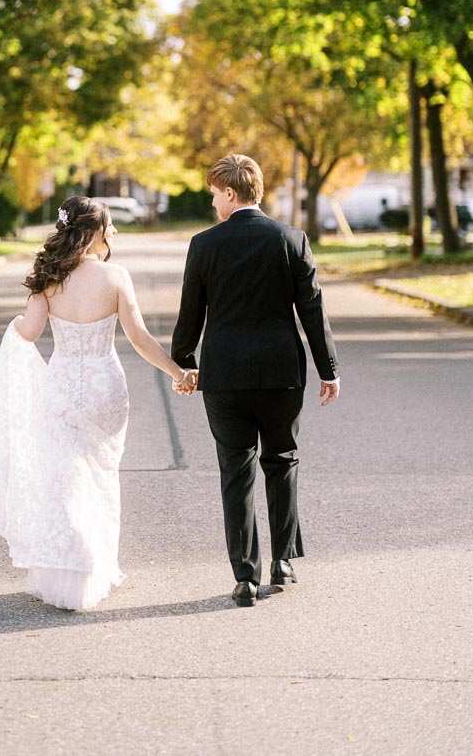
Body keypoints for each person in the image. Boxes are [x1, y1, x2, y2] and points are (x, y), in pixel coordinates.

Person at [0, 194, 197, 612]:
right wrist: (177, 372)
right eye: (109, 226)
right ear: (93, 231)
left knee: (65, 481)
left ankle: (68, 573)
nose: (113, 233)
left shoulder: (48, 276)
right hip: (104, 388)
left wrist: (17, 321)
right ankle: (94, 568)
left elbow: (29, 332)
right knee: (100, 478)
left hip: (61, 388)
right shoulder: (116, 277)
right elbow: (140, 339)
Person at [171, 153, 340, 607]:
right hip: (281, 374)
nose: (212, 203)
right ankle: (283, 561)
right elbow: (313, 311)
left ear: (230, 192)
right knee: (282, 460)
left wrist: (184, 362)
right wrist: (329, 370)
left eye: (213, 194)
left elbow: (191, 314)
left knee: (235, 470)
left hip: (224, 377)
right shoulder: (291, 239)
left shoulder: (204, 245)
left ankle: (244, 576)